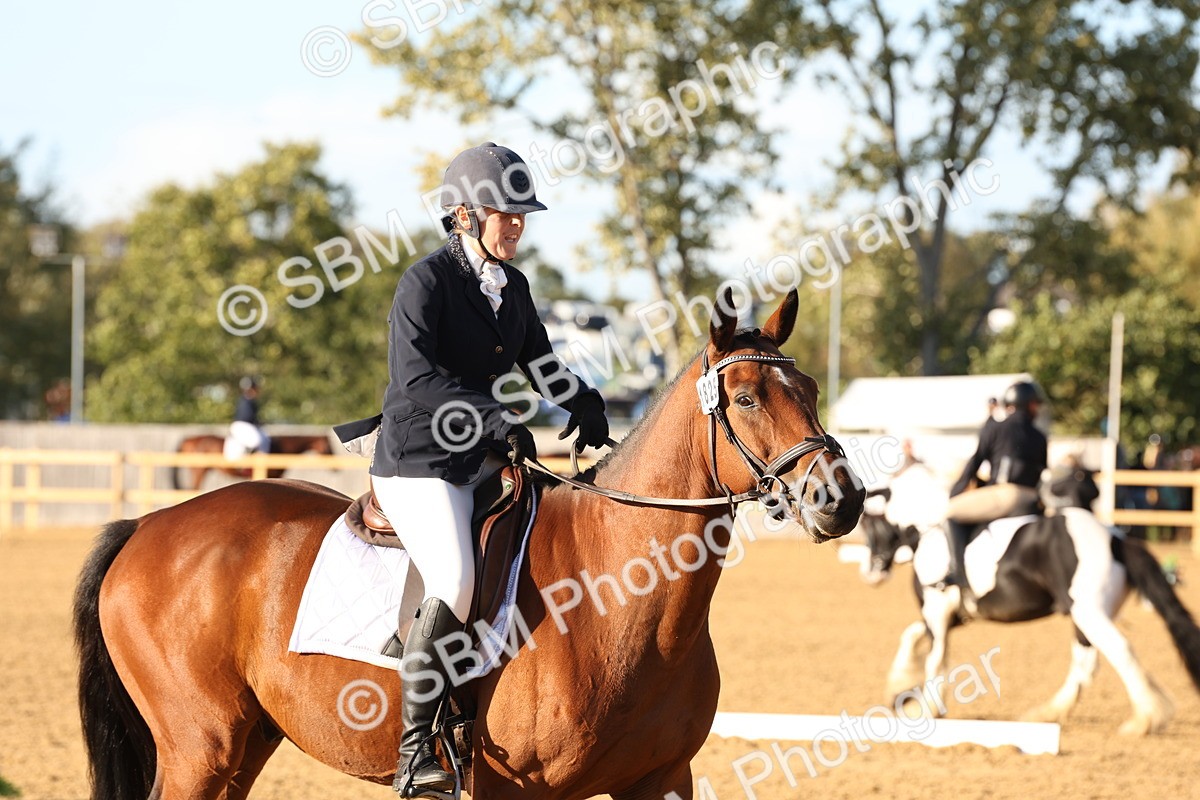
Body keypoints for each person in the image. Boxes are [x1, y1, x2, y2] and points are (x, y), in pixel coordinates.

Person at [368, 143, 609, 798]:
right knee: (455, 575)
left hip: (481, 458)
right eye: (506, 214)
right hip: (420, 461)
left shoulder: (514, 287)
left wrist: (583, 399)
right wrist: (493, 420)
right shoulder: (426, 282)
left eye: (522, 216)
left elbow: (539, 361)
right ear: (466, 215)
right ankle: (416, 751)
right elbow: (417, 380)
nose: (517, 226)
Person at [944, 380, 1048, 589]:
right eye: (1035, 404)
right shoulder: (1040, 436)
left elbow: (974, 463)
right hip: (1033, 498)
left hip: (1006, 495)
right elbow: (1040, 471)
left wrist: (956, 493)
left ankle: (958, 574)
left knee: (951, 513)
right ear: (1027, 404)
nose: (1037, 408)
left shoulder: (996, 428)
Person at [225, 377, 269, 458]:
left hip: (246, 426)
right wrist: (257, 422)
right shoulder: (245, 400)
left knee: (265, 438)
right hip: (242, 426)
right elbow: (246, 417)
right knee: (256, 440)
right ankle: (247, 458)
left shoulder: (249, 400)